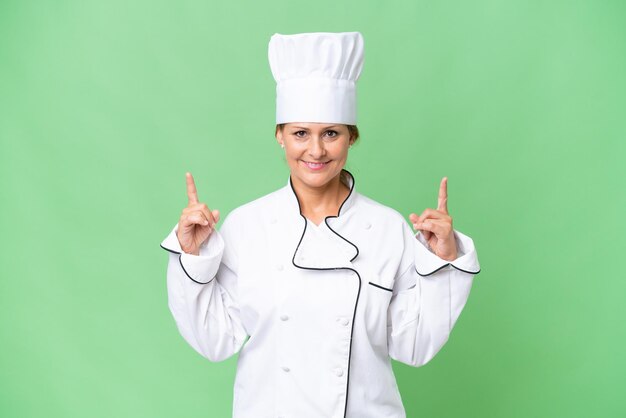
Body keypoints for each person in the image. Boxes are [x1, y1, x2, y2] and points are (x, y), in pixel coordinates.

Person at [160, 31, 481, 418]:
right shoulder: (247, 225)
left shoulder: (384, 228)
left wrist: (444, 261)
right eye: (300, 133)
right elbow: (214, 341)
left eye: (331, 133)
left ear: (351, 138)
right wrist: (191, 257)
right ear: (280, 136)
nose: (316, 150)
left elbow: (414, 345)